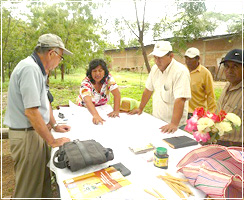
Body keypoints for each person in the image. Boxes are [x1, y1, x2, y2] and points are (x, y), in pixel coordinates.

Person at [3, 33, 72, 198]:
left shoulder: (39, 70)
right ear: (51, 53)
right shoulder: (30, 69)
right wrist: (52, 140)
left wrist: (54, 125)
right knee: (29, 190)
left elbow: (44, 101)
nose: (59, 62)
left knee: (41, 183)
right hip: (27, 135)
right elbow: (32, 112)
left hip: (36, 133)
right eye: (60, 57)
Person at [129, 41, 191, 133]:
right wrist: (140, 108)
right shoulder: (155, 69)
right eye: (155, 58)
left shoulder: (180, 72)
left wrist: (174, 124)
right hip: (157, 121)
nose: (157, 62)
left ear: (171, 56)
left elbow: (180, 99)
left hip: (175, 125)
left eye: (160, 58)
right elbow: (148, 90)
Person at [77, 59, 121, 125]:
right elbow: (87, 100)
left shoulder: (108, 78)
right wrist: (95, 115)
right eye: (94, 71)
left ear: (104, 71)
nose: (97, 73)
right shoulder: (86, 82)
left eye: (100, 70)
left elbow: (117, 94)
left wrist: (116, 111)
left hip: (102, 107)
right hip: (86, 108)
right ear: (90, 72)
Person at [216, 49, 243, 147]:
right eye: (226, 66)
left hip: (237, 149)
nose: (230, 71)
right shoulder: (227, 85)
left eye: (235, 67)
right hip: (219, 143)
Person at [184, 47, 216, 119]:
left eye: (190, 58)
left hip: (197, 114)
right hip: (182, 111)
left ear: (198, 58)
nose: (188, 61)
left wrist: (211, 114)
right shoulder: (182, 70)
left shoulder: (205, 73)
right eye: (186, 58)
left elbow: (210, 95)